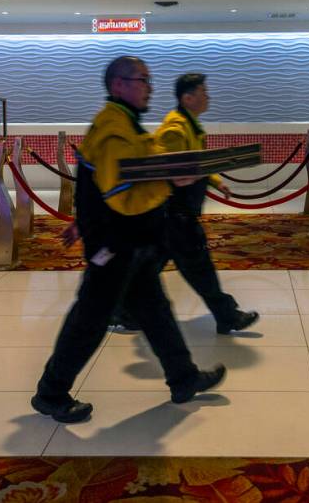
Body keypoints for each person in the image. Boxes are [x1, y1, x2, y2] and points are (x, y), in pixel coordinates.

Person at [31, 56, 226, 424]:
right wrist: (170, 183)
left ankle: (183, 378)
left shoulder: (128, 125)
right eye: (142, 80)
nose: (150, 87)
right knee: (89, 320)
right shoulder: (114, 130)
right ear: (118, 85)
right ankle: (50, 392)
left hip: (132, 244)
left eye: (149, 80)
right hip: (115, 246)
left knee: (155, 311)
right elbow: (122, 195)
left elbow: (112, 181)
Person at [111, 73, 259, 334]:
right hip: (174, 213)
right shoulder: (175, 130)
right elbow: (166, 170)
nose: (208, 96)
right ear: (187, 97)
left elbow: (196, 162)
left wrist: (214, 180)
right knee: (199, 267)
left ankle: (120, 310)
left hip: (173, 214)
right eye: (203, 92)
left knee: (149, 264)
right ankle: (227, 316)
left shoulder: (190, 125)